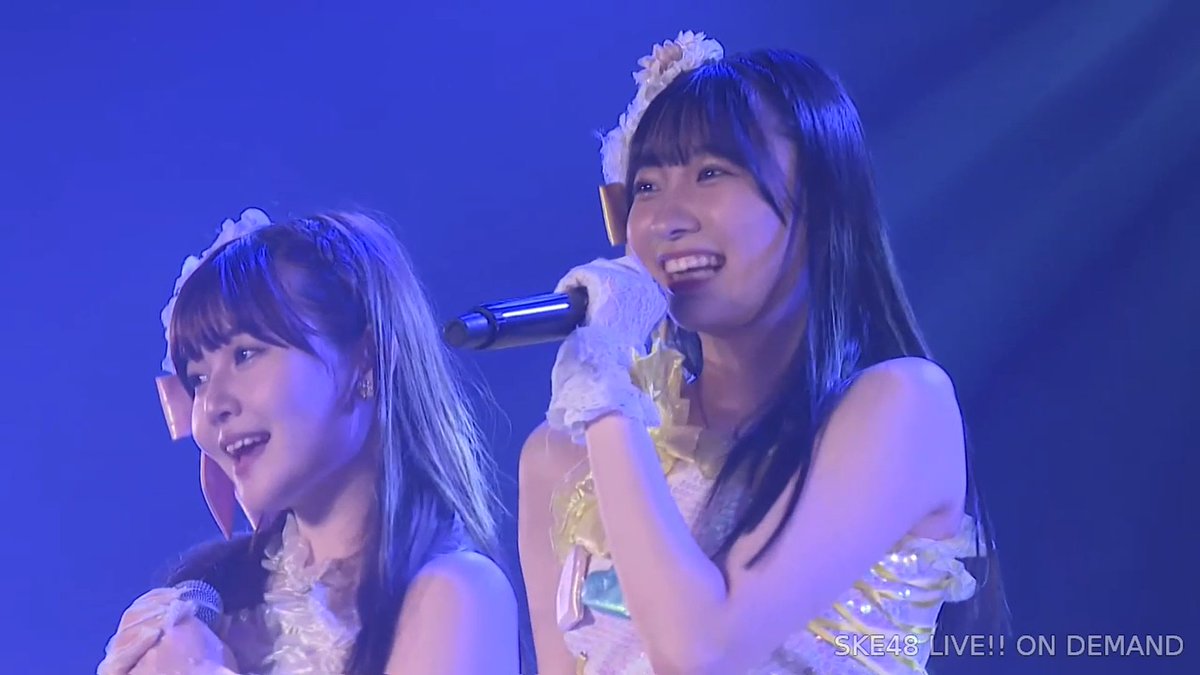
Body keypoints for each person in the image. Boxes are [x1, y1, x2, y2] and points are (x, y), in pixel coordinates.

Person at [518, 31, 1005, 674]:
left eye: (711, 173)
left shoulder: (904, 406)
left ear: (820, 199)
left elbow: (703, 653)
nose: (666, 219)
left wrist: (608, 388)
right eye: (647, 186)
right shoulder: (564, 457)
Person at [98, 209, 518, 674]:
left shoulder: (458, 593)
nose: (212, 404)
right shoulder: (205, 602)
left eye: (245, 354)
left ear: (366, 358)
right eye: (197, 378)